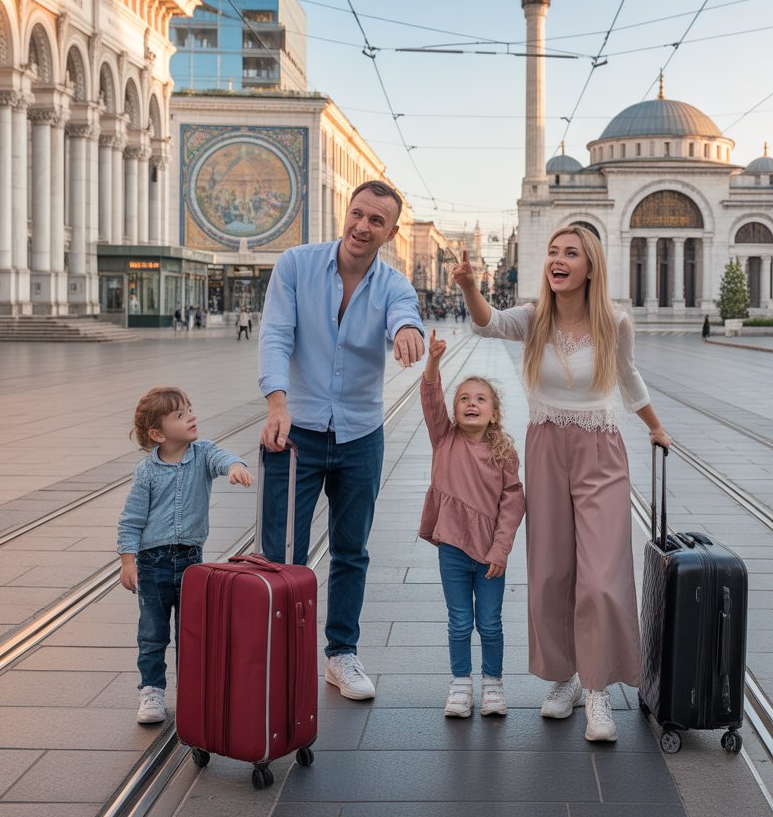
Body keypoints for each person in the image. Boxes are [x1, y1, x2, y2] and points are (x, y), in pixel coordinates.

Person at [452, 227, 672, 742]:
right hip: (546, 446)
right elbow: (488, 324)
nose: (557, 260)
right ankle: (564, 679)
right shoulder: (535, 318)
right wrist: (468, 286)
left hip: (600, 449)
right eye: (552, 251)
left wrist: (655, 426)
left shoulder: (614, 322)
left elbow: (629, 376)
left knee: (599, 575)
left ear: (590, 266)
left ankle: (597, 691)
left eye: (570, 253)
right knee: (551, 571)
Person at [258, 179, 425, 700]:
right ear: (345, 213)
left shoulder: (393, 283)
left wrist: (405, 332)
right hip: (295, 430)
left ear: (391, 232)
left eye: (376, 221)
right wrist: (276, 402)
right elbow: (276, 334)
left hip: (359, 434)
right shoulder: (295, 264)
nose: (362, 226)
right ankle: (276, 650)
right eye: (357, 214)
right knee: (282, 551)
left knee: (351, 551)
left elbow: (405, 314)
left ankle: (341, 655)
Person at [117, 387, 254, 724]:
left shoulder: (202, 452)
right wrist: (127, 560)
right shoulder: (146, 472)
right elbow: (131, 518)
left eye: (190, 409)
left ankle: (192, 692)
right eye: (180, 415)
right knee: (152, 633)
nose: (192, 416)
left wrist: (236, 466)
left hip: (192, 562)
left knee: (191, 633)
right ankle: (151, 690)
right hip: (152, 563)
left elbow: (223, 458)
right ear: (158, 434)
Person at [419, 329, 525, 719]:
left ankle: (493, 683)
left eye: (480, 399)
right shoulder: (444, 438)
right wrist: (433, 362)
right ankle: (461, 684)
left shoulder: (503, 451)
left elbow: (514, 503)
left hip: (490, 554)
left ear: (494, 412)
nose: (470, 404)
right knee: (460, 620)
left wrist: (501, 549)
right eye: (464, 399)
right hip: (453, 547)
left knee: (491, 622)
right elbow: (430, 399)